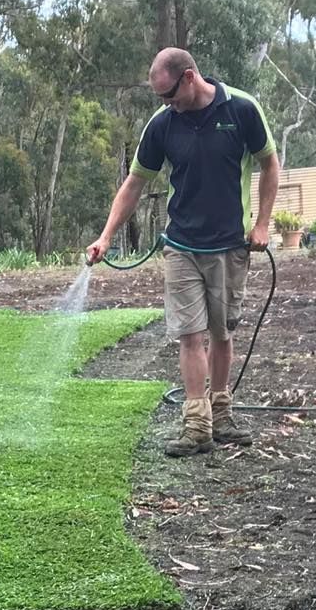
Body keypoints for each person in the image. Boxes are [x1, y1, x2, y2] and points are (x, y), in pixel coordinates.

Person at [87, 48, 280, 457]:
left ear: (190, 77)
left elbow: (270, 163)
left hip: (230, 244)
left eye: (169, 95)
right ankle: (197, 426)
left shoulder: (242, 109)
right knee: (189, 335)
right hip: (181, 246)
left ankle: (222, 411)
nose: (166, 105)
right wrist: (106, 236)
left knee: (221, 332)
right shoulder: (163, 125)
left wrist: (261, 224)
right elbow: (135, 183)